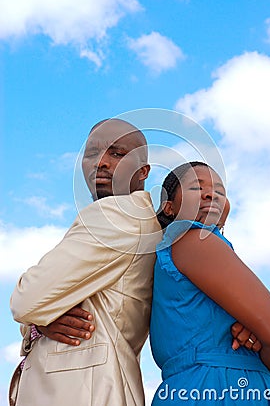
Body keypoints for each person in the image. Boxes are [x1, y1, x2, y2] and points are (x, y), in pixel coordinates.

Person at [9, 118, 163, 406]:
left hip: (83, 391)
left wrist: (36, 316)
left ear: (143, 172)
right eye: (92, 153)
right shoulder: (139, 219)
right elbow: (36, 309)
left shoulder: (118, 214)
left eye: (117, 153)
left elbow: (26, 299)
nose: (101, 162)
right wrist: (38, 325)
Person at [150, 161, 270, 405]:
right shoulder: (195, 239)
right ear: (169, 207)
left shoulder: (187, 252)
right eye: (197, 187)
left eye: (220, 191)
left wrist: (259, 337)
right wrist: (259, 343)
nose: (211, 194)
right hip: (221, 388)